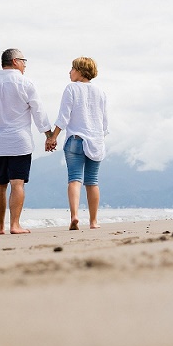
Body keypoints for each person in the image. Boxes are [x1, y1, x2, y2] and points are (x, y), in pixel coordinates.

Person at [0, 48, 55, 234]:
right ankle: (15, 225)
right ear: (14, 61)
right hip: (19, 142)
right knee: (17, 183)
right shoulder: (25, 83)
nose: (25, 65)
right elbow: (39, 112)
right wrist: (49, 136)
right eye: (23, 60)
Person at [46, 57, 109, 230]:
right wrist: (99, 138)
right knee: (92, 182)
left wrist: (53, 137)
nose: (69, 72)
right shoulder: (101, 92)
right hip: (96, 141)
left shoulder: (71, 88)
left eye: (72, 68)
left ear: (80, 71)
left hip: (75, 140)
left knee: (74, 179)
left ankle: (74, 216)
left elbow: (63, 117)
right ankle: (94, 221)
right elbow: (104, 122)